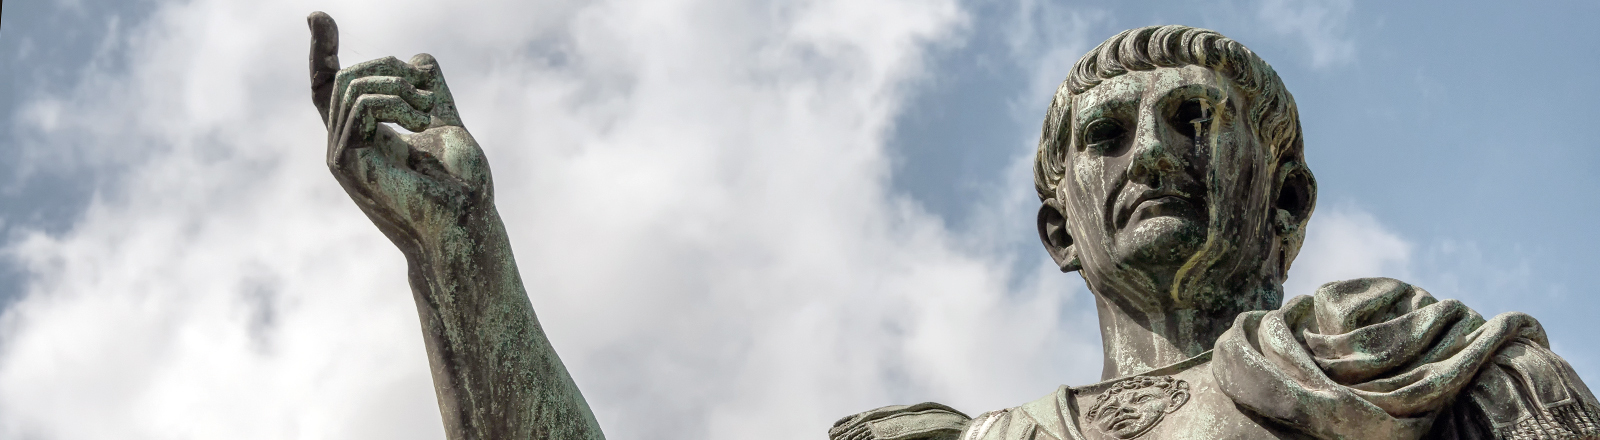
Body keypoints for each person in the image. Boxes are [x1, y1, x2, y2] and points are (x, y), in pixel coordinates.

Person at [306, 10, 1597, 439]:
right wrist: (462, 252)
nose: (1151, 151)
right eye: (1107, 136)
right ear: (1059, 232)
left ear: (1290, 203)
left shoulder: (1422, 372)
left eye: (1196, 120)